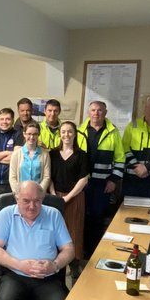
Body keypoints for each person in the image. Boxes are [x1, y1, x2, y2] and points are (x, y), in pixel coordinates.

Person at [78, 100, 124, 258]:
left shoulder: (113, 132)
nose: (96, 113)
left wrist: (114, 180)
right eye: (93, 110)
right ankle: (82, 253)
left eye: (99, 110)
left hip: (102, 185)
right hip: (83, 184)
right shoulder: (79, 131)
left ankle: (94, 253)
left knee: (98, 219)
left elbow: (120, 159)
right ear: (88, 113)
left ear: (105, 113)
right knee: (82, 217)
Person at [49, 120, 89, 281]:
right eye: (63, 132)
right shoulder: (52, 154)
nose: (66, 135)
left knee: (74, 231)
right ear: (60, 135)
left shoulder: (82, 155)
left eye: (70, 132)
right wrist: (53, 194)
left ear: (75, 134)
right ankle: (58, 263)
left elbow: (84, 179)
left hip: (75, 197)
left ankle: (74, 264)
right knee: (56, 231)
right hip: (55, 196)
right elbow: (48, 176)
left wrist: (68, 197)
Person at [8, 121, 51, 190]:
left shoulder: (45, 154)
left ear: (38, 135)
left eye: (35, 134)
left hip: (38, 194)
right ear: (24, 134)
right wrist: (18, 193)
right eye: (29, 134)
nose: (31, 137)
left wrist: (40, 192)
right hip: (20, 194)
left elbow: (46, 177)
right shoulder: (16, 154)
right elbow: (12, 177)